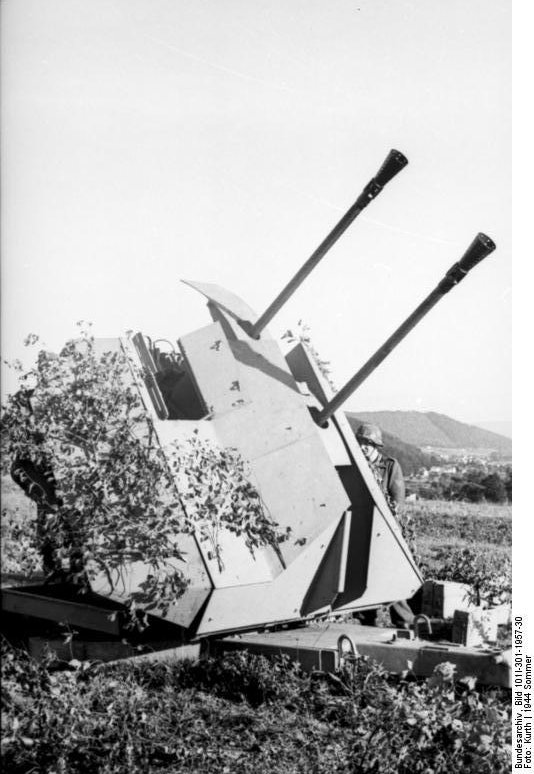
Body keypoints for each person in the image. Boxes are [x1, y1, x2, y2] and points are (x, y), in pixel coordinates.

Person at [355, 422, 415, 629]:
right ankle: (365, 623)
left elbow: (397, 502)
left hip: (386, 531)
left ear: (375, 447)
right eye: (361, 443)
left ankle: (404, 624)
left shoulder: (389, 466)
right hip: (362, 528)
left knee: (391, 578)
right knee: (362, 578)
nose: (363, 447)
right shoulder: (357, 464)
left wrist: (388, 526)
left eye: (368, 444)